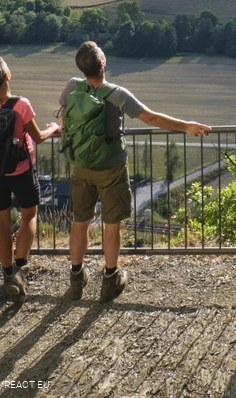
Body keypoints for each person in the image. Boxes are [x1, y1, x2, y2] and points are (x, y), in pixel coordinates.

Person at [60, 41, 212, 302]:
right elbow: (151, 119)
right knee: (111, 224)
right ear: (103, 64)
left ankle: (76, 278)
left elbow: (65, 118)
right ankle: (110, 279)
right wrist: (186, 126)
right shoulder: (117, 94)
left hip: (80, 166)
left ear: (81, 67)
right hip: (111, 168)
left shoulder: (72, 86)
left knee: (80, 222)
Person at [0, 56, 59, 306]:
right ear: (7, 76)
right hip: (21, 170)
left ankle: (7, 274)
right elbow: (38, 137)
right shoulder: (21, 105)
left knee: (1, 221)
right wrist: (54, 127)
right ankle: (20, 272)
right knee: (29, 215)